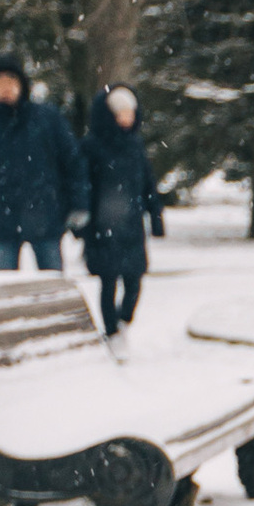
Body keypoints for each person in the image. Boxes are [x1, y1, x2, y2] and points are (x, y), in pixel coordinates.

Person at [0, 48, 84, 272]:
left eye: (11, 81)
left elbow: (72, 163)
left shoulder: (48, 120)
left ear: (22, 85)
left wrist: (78, 204)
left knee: (52, 287)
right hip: (0, 221)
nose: (6, 88)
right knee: (5, 288)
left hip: (46, 217)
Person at [81, 86, 165, 337]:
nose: (127, 118)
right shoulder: (91, 146)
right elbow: (83, 184)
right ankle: (111, 331)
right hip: (102, 225)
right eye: (121, 113)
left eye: (131, 112)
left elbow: (148, 183)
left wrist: (156, 215)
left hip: (132, 225)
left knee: (134, 281)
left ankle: (123, 318)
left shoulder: (135, 145)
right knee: (108, 281)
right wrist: (82, 221)